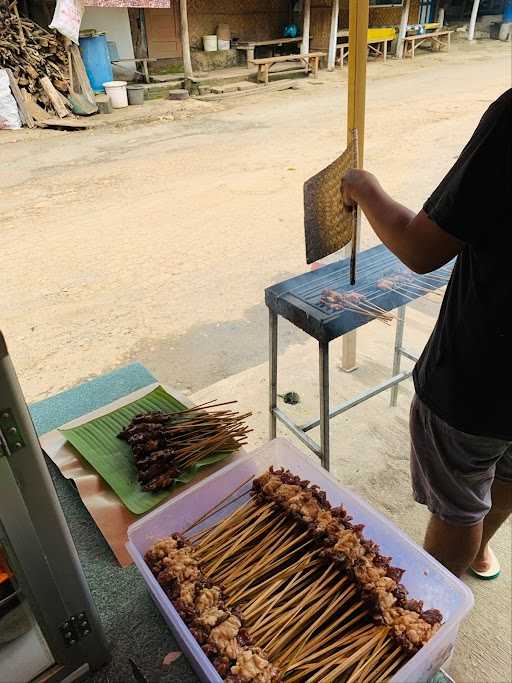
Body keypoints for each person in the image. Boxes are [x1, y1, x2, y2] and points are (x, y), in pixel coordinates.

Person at [341, 88, 512, 579]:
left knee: (458, 503)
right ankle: (480, 552)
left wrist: (364, 189)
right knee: (507, 471)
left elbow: (421, 249)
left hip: (482, 371)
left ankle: (432, 620)